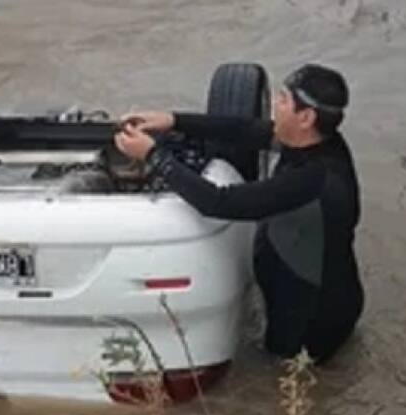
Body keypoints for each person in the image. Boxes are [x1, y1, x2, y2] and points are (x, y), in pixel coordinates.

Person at [115, 64, 362, 366]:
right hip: (313, 290)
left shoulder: (312, 180)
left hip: (308, 325)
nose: (274, 105)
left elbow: (218, 202)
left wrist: (154, 156)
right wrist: (173, 120)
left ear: (306, 117)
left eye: (283, 99)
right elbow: (245, 130)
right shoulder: (315, 142)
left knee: (283, 382)